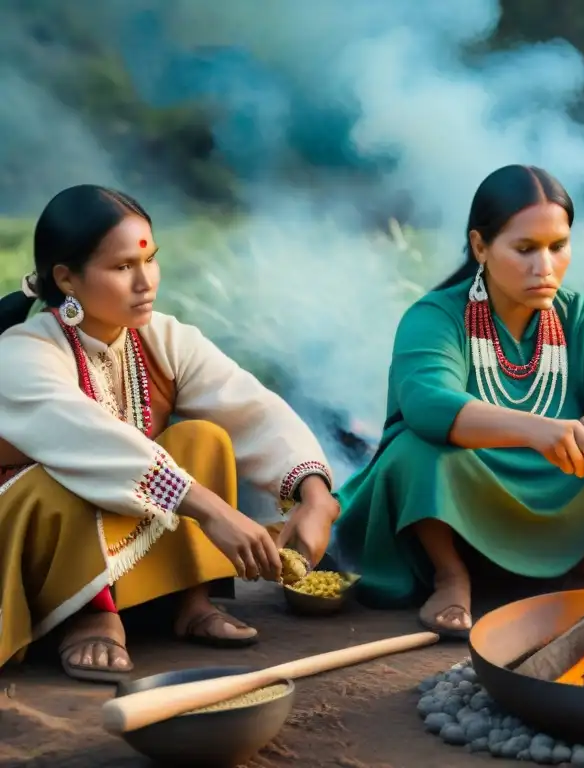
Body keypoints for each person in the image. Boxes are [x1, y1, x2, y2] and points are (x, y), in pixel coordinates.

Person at [0, 185, 339, 683]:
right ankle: (87, 613)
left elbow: (250, 406)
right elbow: (93, 443)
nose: (145, 282)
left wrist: (314, 495)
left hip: (119, 519)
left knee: (202, 438)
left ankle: (189, 598)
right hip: (34, 527)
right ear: (67, 278)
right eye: (122, 268)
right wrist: (215, 511)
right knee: (66, 478)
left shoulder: (163, 338)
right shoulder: (23, 351)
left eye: (150, 261)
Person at [332, 164, 584, 638]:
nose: (544, 267)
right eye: (525, 249)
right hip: (466, 481)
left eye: (558, 246)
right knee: (417, 448)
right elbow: (428, 403)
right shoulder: (435, 316)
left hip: (558, 473)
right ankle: (451, 575)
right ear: (480, 246)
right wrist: (538, 429)